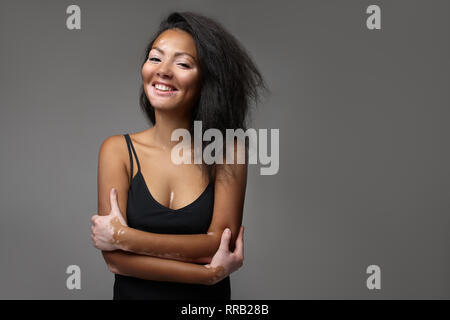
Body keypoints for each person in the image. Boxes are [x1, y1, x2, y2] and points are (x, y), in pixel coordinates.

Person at [90, 11, 267, 300]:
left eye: (183, 63)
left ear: (206, 81)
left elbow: (216, 245)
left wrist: (125, 237)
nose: (163, 70)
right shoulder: (117, 150)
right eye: (155, 58)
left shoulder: (228, 151)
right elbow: (115, 260)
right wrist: (208, 275)